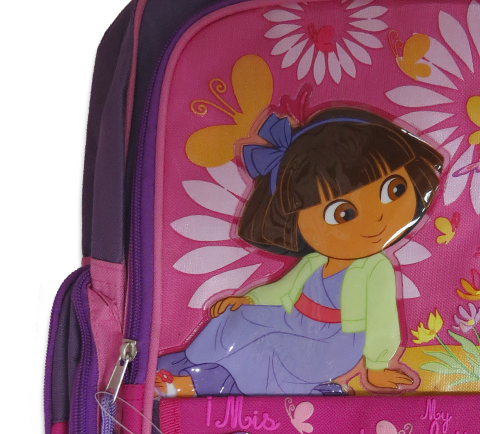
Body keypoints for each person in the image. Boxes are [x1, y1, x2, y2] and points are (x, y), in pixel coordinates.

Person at [158, 107, 443, 395]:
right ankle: (192, 364)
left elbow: (382, 318)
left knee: (268, 350)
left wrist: (377, 365)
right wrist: (249, 299)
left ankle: (198, 384)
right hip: (294, 321)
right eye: (343, 214)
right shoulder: (314, 261)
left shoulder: (375, 267)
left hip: (335, 341)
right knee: (236, 317)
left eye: (394, 190)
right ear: (293, 220)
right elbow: (284, 290)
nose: (376, 219)